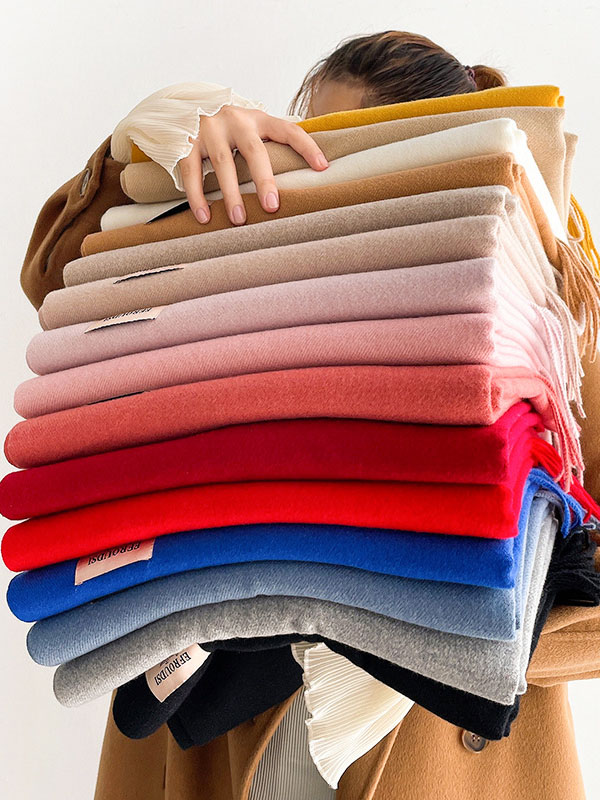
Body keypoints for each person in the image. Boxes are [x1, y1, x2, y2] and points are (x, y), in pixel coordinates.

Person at [23, 29, 600, 800]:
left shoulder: (545, 303)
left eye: (361, 158)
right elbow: (65, 286)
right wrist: (161, 132)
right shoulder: (250, 251)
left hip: (445, 756)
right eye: (307, 150)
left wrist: (452, 623)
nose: (327, 191)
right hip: (222, 720)